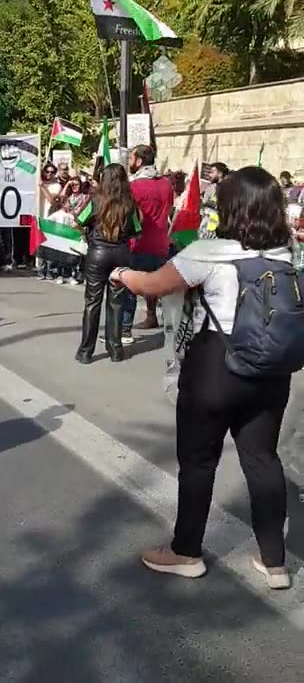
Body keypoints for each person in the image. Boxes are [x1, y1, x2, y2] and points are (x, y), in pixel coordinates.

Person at [111, 167, 293, 589]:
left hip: (217, 364)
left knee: (198, 461)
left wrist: (122, 275)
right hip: (272, 368)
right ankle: (274, 562)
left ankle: (186, 551)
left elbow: (152, 284)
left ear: (229, 207)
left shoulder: (210, 252)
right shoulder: (290, 252)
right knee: (263, 459)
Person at [75, 163, 141, 364]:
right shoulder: (130, 203)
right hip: (121, 254)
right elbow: (137, 229)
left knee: (92, 303)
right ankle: (115, 349)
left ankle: (86, 352)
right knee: (116, 303)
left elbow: (79, 219)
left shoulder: (95, 199)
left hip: (97, 254)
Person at [121, 145, 174, 339]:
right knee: (156, 284)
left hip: (139, 243)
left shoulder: (133, 186)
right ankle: (154, 317)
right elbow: (169, 210)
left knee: (130, 287)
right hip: (161, 242)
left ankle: (125, 329)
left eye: (132, 158)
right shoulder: (167, 184)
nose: (129, 162)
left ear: (139, 161)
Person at [38, 163, 62, 281]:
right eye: (47, 171)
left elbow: (52, 200)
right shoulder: (37, 184)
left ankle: (50, 270)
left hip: (50, 218)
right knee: (41, 245)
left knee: (50, 246)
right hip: (38, 217)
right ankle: (41, 270)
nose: (49, 174)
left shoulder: (56, 186)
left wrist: (43, 187)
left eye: (52, 172)